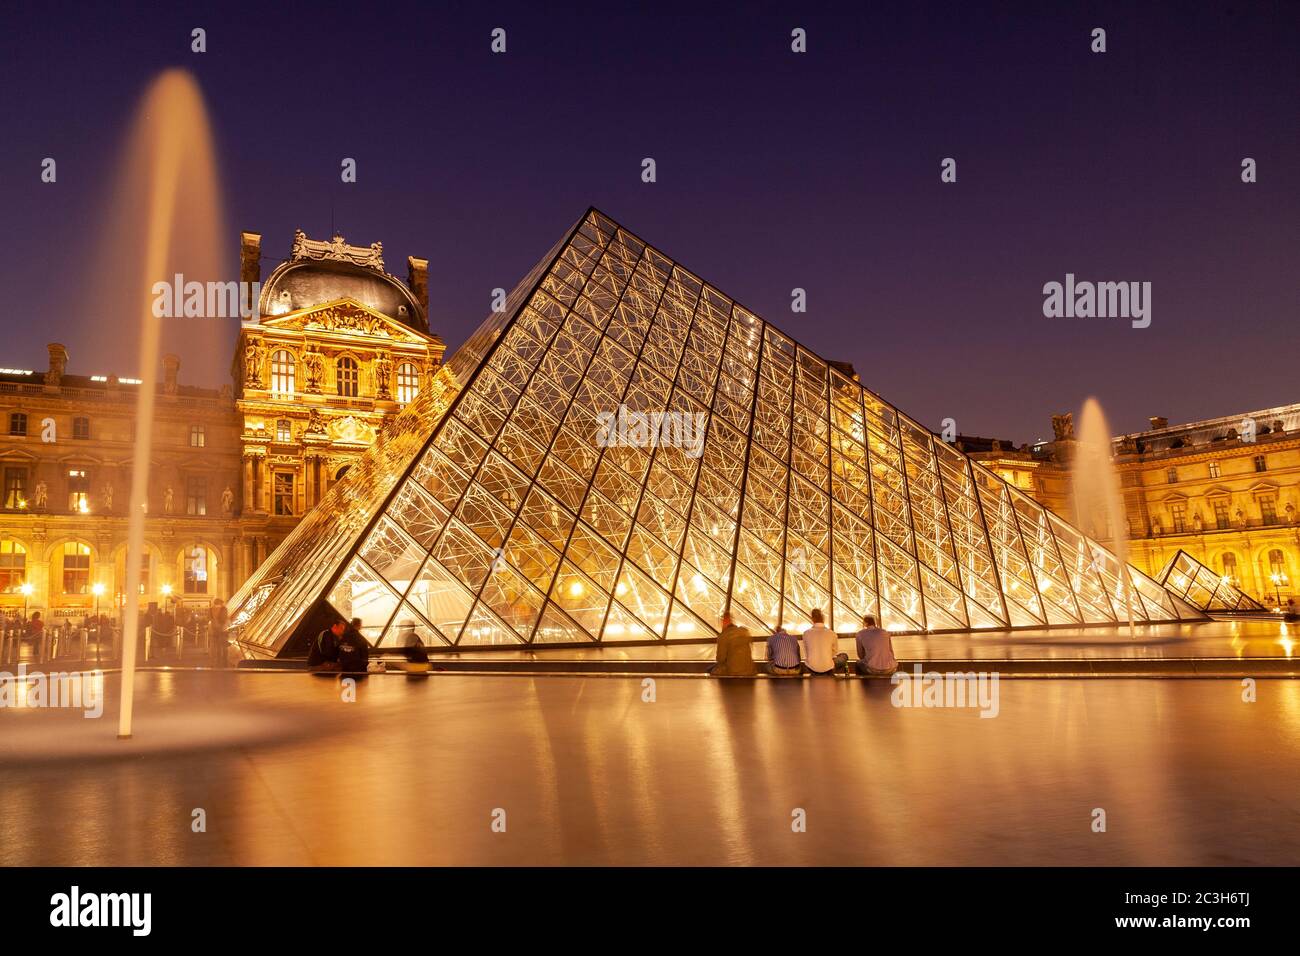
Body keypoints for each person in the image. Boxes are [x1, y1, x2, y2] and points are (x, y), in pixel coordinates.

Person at [710, 611, 756, 677]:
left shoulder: (723, 636)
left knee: (710, 669)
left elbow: (720, 659)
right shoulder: (744, 631)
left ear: (724, 622)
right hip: (750, 671)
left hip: (732, 672)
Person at [801, 608, 846, 675]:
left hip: (812, 668)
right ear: (823, 619)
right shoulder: (832, 633)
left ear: (812, 619)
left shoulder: (806, 633)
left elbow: (806, 653)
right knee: (844, 656)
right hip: (828, 668)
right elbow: (835, 652)